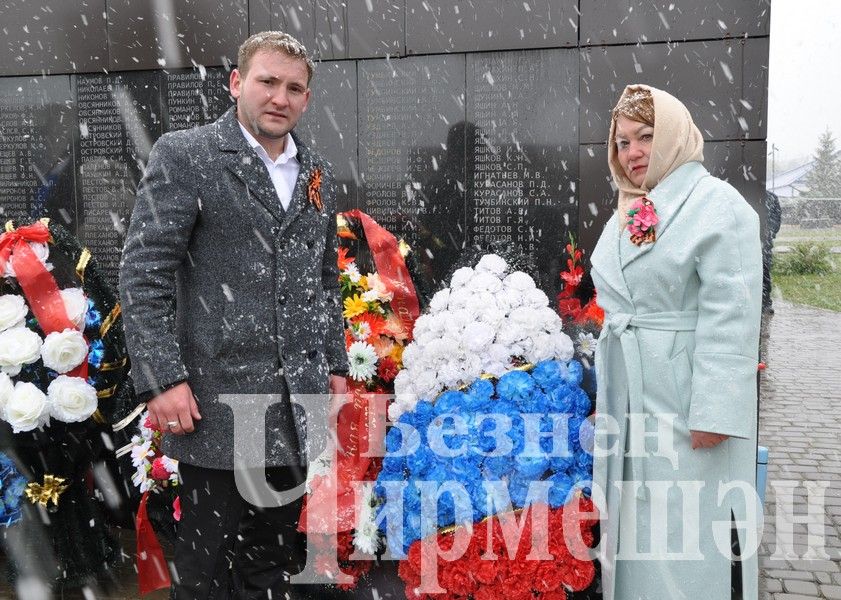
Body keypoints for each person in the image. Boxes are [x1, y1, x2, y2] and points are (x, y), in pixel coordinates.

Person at [119, 31, 348, 599]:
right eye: (268, 81)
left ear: (307, 99)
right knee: (204, 573)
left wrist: (335, 365)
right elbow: (143, 274)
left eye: (295, 88)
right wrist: (162, 379)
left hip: (291, 407)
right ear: (237, 83)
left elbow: (323, 279)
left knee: (269, 566)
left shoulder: (315, 171)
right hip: (215, 406)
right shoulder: (187, 154)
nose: (280, 97)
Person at [590, 85, 761, 600]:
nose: (633, 152)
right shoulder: (633, 207)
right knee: (639, 527)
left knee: (684, 532)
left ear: (674, 136)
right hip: (633, 395)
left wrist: (715, 410)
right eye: (622, 142)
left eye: (646, 137)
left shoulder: (717, 205)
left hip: (686, 404)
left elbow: (732, 313)